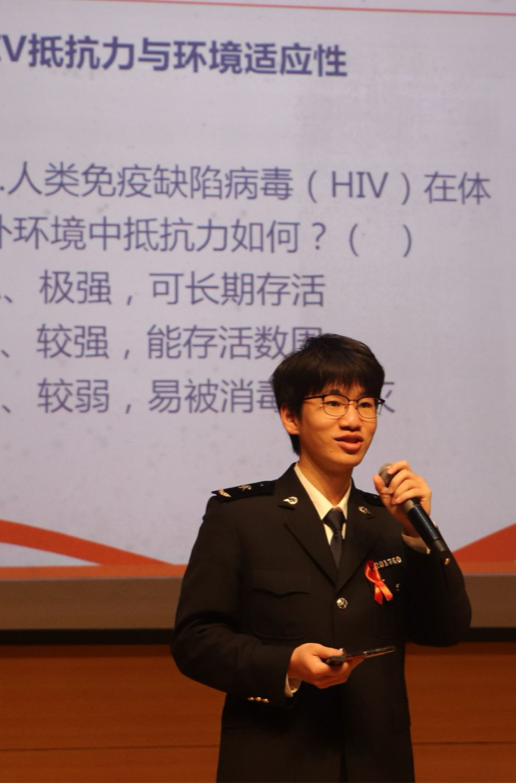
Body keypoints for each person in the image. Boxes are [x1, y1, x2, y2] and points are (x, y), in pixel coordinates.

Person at [172, 333, 471, 783]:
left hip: (376, 762)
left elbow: (446, 629)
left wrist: (417, 535)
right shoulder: (240, 516)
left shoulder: (390, 522)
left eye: (366, 404)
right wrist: (286, 664)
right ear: (290, 417)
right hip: (274, 760)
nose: (353, 420)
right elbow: (195, 641)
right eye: (333, 403)